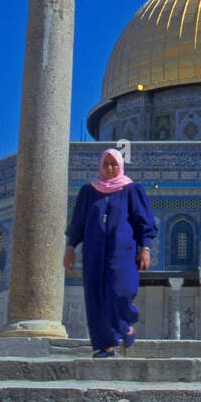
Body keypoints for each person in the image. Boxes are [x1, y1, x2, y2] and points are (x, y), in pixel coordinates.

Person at [63, 147, 157, 358]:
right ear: (100, 166)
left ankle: (126, 326)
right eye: (106, 164)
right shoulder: (88, 191)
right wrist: (70, 248)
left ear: (120, 165)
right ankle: (105, 346)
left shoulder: (131, 190)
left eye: (114, 163)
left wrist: (145, 248)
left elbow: (143, 221)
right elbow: (78, 222)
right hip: (94, 250)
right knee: (95, 295)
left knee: (121, 289)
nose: (110, 168)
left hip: (122, 250)